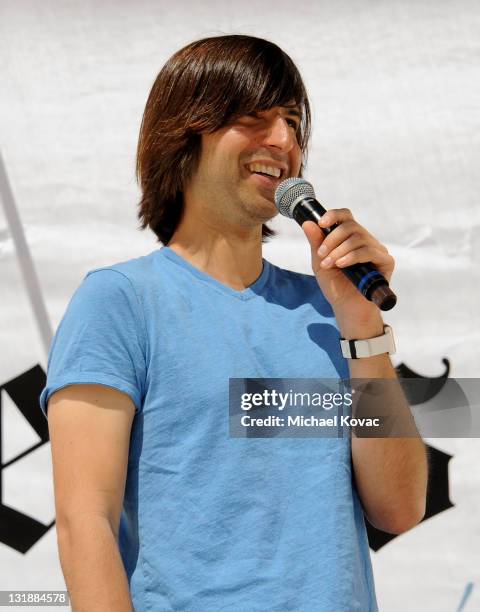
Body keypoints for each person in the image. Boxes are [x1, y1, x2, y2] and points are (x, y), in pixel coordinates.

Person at [39, 34, 428, 611]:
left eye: (293, 121)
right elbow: (84, 522)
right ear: (185, 132)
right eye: (254, 117)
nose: (283, 141)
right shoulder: (120, 301)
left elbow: (399, 508)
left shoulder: (332, 313)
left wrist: (362, 326)